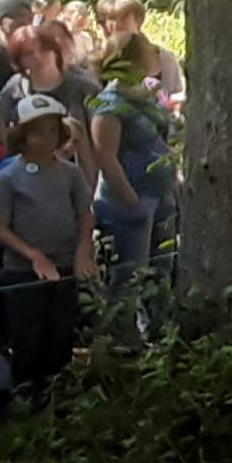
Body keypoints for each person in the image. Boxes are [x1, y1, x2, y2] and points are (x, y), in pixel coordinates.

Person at [0, 93, 94, 392]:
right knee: (28, 336)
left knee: (61, 334)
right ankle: (27, 394)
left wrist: (84, 249)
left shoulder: (70, 172)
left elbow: (85, 214)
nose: (46, 138)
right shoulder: (9, 176)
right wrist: (32, 255)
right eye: (36, 131)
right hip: (23, 272)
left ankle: (57, 393)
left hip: (64, 266)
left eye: (52, 130)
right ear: (21, 135)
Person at [89, 31, 179, 297]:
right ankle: (124, 321)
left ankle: (158, 318)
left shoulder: (149, 90)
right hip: (131, 200)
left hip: (162, 194)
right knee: (131, 275)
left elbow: (166, 128)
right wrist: (132, 202)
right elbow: (106, 157)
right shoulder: (109, 105)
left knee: (162, 269)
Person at [0, 26, 100, 179]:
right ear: (19, 61)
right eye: (28, 53)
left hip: (80, 174)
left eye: (43, 50)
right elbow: (6, 134)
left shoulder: (84, 88)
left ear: (55, 51)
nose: (38, 56)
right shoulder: (14, 90)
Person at [97, 0, 185, 105]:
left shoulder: (164, 57)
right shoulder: (97, 57)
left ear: (139, 20)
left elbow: (176, 95)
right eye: (110, 19)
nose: (114, 25)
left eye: (122, 18)